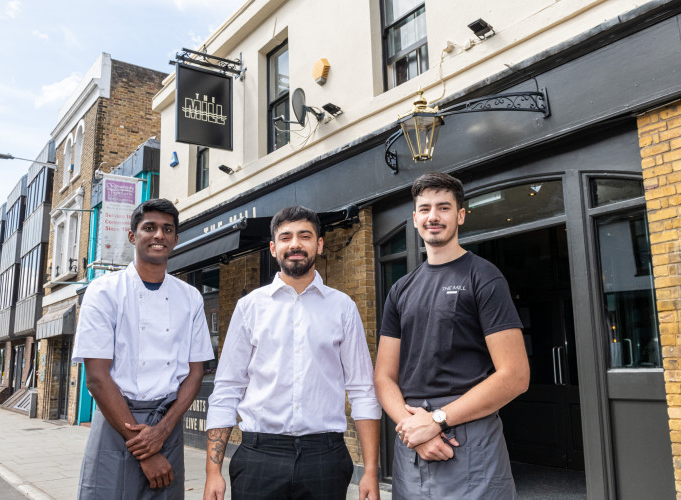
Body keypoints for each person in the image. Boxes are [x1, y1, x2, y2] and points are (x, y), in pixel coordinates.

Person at [203, 206, 381, 500]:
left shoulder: (343, 307)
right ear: (273, 248)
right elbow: (227, 389)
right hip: (259, 456)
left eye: (305, 236)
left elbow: (363, 390)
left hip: (325, 457)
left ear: (319, 245)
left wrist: (371, 471)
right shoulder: (250, 307)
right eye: (285, 237)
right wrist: (213, 472)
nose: (295, 244)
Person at [374, 172, 530, 499]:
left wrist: (438, 421)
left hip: (467, 436)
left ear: (460, 215)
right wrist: (415, 429)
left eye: (444, 208)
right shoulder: (400, 290)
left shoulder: (484, 278)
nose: (433, 216)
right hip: (413, 438)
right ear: (415, 218)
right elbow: (384, 378)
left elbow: (515, 375)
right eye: (425, 209)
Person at [73, 198, 214, 499]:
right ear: (132, 235)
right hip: (116, 422)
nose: (158, 235)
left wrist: (163, 430)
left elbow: (196, 372)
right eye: (149, 227)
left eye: (167, 229)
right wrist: (147, 452)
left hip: (168, 422)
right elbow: (97, 377)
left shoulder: (190, 298)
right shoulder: (103, 292)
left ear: (176, 239)